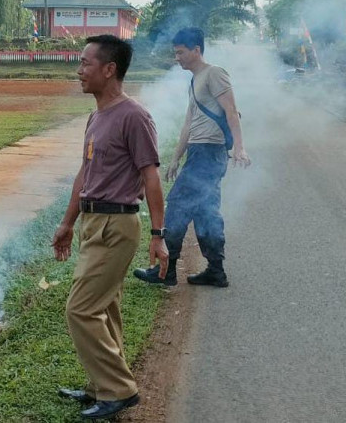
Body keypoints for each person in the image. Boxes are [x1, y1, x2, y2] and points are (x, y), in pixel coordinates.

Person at [52, 35, 168, 420]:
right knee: (103, 309)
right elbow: (84, 173)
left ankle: (119, 390)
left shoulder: (134, 115)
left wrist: (158, 235)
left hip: (117, 225)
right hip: (92, 222)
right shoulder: (96, 115)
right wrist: (68, 222)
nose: (79, 70)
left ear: (109, 69)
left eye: (85, 63)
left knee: (80, 310)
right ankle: (101, 386)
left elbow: (151, 177)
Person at [134, 27, 251, 288]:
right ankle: (215, 271)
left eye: (180, 52)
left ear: (196, 50)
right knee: (206, 212)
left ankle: (166, 270)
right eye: (175, 53)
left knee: (176, 205)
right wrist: (176, 158)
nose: (177, 58)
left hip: (210, 153)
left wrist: (240, 147)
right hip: (199, 153)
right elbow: (189, 123)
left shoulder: (214, 73)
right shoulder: (194, 81)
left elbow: (232, 111)